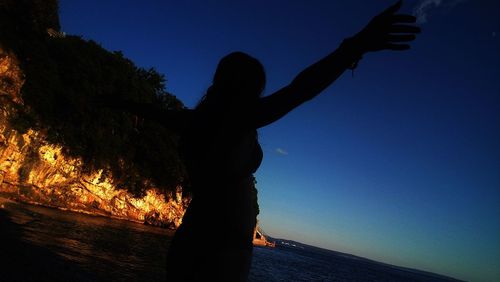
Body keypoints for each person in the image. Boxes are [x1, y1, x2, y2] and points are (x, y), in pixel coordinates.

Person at [105, 1, 420, 281]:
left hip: (195, 239)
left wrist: (117, 102)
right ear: (249, 88)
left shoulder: (193, 120)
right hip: (219, 252)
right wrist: (352, 47)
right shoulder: (237, 120)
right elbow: (300, 90)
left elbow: (150, 110)